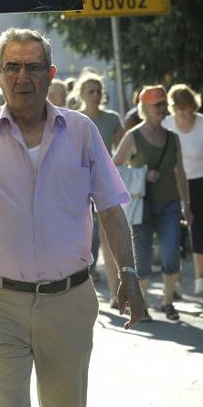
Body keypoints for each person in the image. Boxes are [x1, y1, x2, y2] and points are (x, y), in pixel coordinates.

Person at [0, 28, 144, 407]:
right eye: (12, 67)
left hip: (69, 301)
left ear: (50, 73)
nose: (22, 77)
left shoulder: (81, 131)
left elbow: (111, 211)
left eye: (32, 67)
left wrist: (129, 273)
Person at [113, 85, 193, 321]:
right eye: (156, 105)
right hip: (143, 207)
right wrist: (141, 175)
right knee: (143, 258)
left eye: (163, 104)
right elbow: (114, 169)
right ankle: (143, 304)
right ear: (144, 108)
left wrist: (187, 205)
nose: (161, 108)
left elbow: (180, 172)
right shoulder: (133, 136)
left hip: (169, 204)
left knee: (171, 254)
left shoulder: (172, 138)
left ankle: (167, 302)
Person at [161, 84, 203, 294]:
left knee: (201, 228)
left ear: (193, 106)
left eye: (187, 108)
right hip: (175, 183)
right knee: (176, 232)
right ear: (173, 108)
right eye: (179, 108)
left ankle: (200, 278)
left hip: (201, 181)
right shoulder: (166, 124)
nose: (183, 113)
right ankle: (175, 279)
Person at [74, 72, 125, 300]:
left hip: (104, 182)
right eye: (90, 91)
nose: (95, 95)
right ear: (81, 94)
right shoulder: (74, 119)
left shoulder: (112, 118)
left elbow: (123, 151)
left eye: (98, 91)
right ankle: (80, 289)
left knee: (109, 237)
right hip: (79, 182)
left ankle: (116, 293)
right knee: (83, 237)